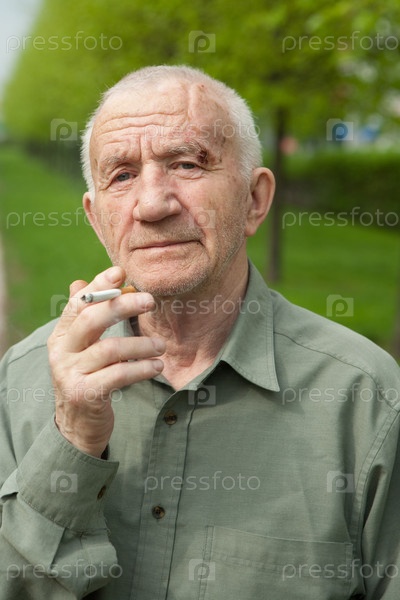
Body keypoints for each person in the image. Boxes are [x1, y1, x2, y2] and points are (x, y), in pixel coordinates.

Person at [0, 65, 399, 600]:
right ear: (97, 220)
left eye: (187, 164)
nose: (152, 204)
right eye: (122, 175)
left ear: (254, 200)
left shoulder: (367, 400)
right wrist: (73, 438)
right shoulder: (20, 380)